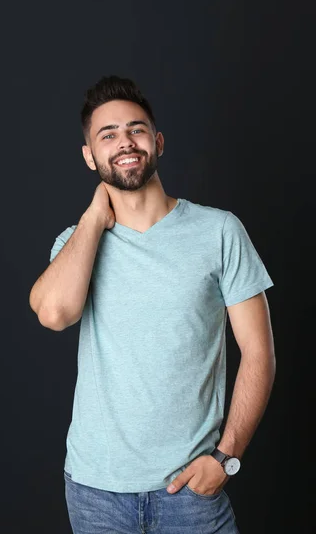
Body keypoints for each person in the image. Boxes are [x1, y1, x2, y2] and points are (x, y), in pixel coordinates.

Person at [29, 75, 276, 534]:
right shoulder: (76, 244)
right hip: (96, 492)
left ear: (157, 142)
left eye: (136, 130)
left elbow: (259, 352)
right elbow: (54, 313)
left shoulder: (219, 232)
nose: (125, 142)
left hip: (191, 491)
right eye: (108, 135)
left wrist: (228, 456)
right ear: (89, 156)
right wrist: (95, 217)